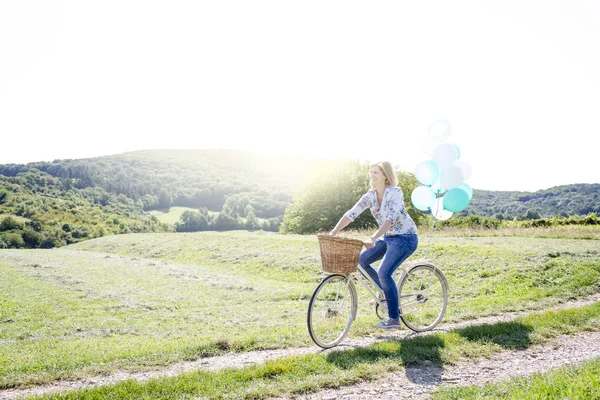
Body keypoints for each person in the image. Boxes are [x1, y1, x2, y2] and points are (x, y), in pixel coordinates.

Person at [329, 161, 419, 329]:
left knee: (384, 272)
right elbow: (351, 213)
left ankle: (393, 319)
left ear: (385, 176)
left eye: (376, 172)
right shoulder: (370, 196)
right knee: (361, 262)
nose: (372, 175)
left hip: (405, 237)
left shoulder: (395, 193)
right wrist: (334, 231)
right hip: (387, 237)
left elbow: (390, 219)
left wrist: (373, 237)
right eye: (370, 172)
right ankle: (385, 293)